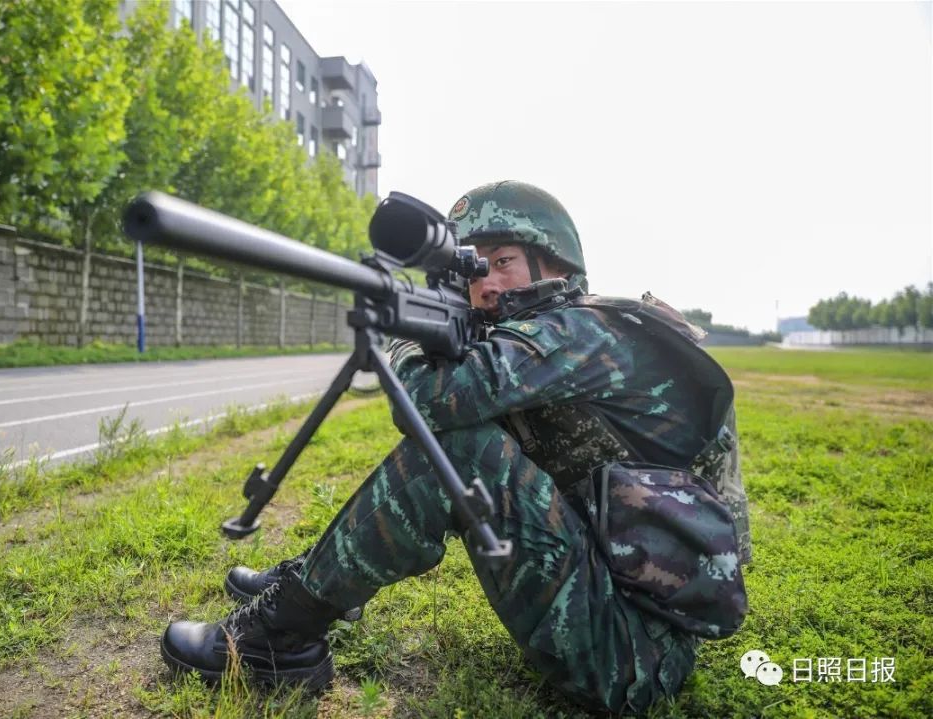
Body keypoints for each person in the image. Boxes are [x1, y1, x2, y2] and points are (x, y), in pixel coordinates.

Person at [159, 181, 752, 714]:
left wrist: (407, 341)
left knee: (461, 449)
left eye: (503, 263)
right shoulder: (570, 331)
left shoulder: (582, 332)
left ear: (552, 264)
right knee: (464, 444)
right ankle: (317, 584)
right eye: (472, 271)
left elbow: (431, 399)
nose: (485, 284)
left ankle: (279, 640)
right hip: (622, 611)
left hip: (634, 659)